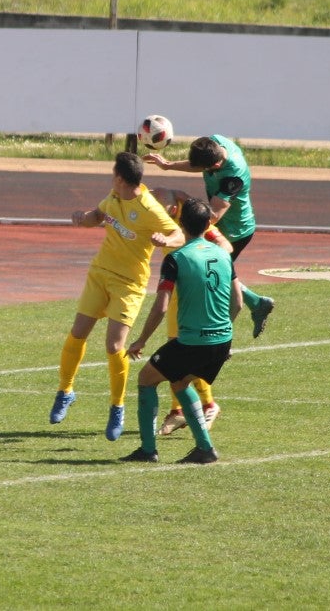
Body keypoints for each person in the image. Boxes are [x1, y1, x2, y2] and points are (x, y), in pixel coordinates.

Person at [50, 152, 183, 441]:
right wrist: (82, 219)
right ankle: (65, 391)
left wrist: (166, 240)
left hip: (129, 284)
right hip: (100, 274)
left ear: (120, 178)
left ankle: (117, 407)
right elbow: (98, 215)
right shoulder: (114, 195)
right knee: (77, 333)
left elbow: (179, 235)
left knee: (114, 346)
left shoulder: (149, 208)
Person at [122, 198, 241, 464]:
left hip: (192, 342)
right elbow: (239, 302)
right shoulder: (223, 254)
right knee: (180, 381)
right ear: (208, 224)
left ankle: (148, 450)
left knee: (146, 379)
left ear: (181, 224)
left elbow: (161, 307)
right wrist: (225, 332)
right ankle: (204, 449)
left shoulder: (176, 258)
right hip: (221, 340)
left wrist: (141, 340)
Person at [145, 134, 274, 336]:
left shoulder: (234, 176)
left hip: (235, 230)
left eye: (207, 169)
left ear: (216, 164)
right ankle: (257, 304)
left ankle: (222, 333)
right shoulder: (213, 142)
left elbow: (211, 217)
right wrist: (168, 165)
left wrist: (182, 198)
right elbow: (197, 164)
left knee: (213, 279)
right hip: (219, 226)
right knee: (211, 275)